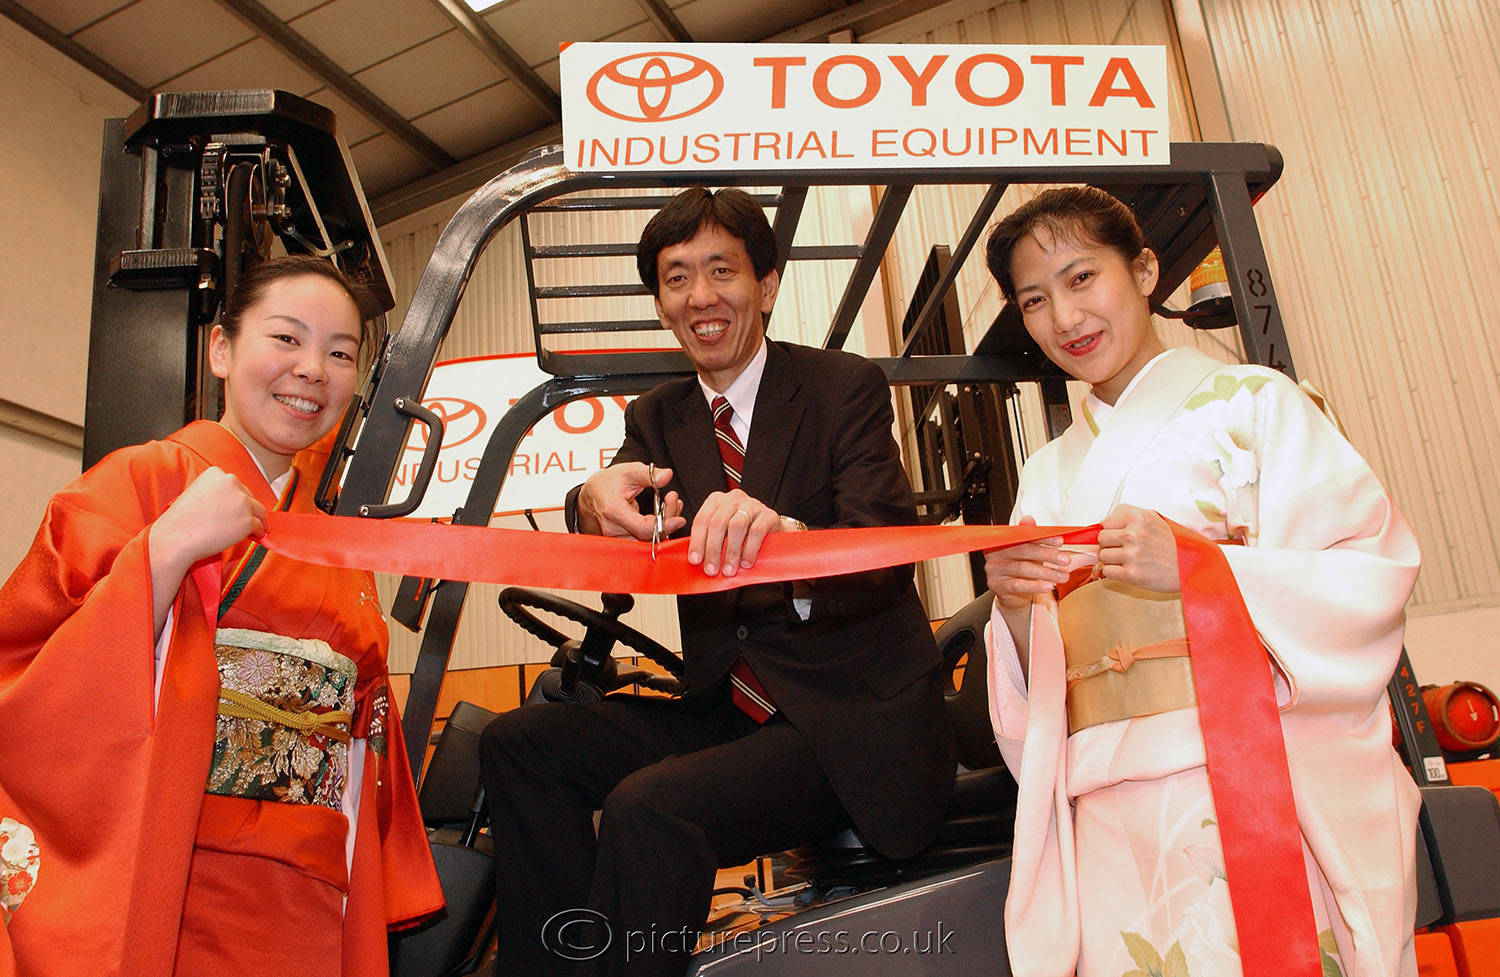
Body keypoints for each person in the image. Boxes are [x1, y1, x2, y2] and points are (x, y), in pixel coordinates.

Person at [478, 186, 955, 976]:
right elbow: (616, 504)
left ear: (765, 286)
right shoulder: (659, 416)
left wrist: (788, 540)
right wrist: (589, 501)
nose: (700, 296)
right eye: (676, 278)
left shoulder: (841, 388)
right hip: (726, 712)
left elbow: (885, 548)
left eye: (721, 270)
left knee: (648, 806)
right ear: (660, 303)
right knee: (520, 743)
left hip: (843, 723)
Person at [979, 186, 1421, 977]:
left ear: (1145, 270)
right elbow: (1044, 682)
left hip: (1247, 776)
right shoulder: (1045, 474)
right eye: (1036, 299)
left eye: (1083, 278)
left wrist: (1199, 570)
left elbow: (1367, 575)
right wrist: (1016, 609)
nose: (1065, 317)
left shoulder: (1257, 405)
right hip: (1109, 801)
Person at [0, 255, 442, 977]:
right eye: (287, 338)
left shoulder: (334, 540)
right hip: (171, 869)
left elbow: (361, 742)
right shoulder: (140, 481)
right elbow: (23, 677)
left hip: (305, 883)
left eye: (340, 354)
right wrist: (164, 552)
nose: (312, 370)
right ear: (221, 350)